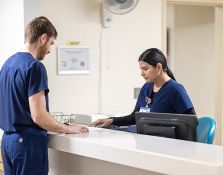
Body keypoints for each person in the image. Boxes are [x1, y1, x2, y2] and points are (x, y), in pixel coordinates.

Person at [0, 16, 89, 175]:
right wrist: (68, 128)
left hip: (7, 142)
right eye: (51, 43)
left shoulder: (7, 64)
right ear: (43, 38)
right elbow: (39, 116)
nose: (49, 50)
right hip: (28, 144)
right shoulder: (35, 67)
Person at [91, 48, 195, 128]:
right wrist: (112, 120)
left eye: (145, 69)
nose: (142, 73)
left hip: (168, 145)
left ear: (159, 67)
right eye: (141, 69)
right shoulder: (147, 87)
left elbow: (192, 121)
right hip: (148, 141)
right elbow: (135, 117)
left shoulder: (175, 89)